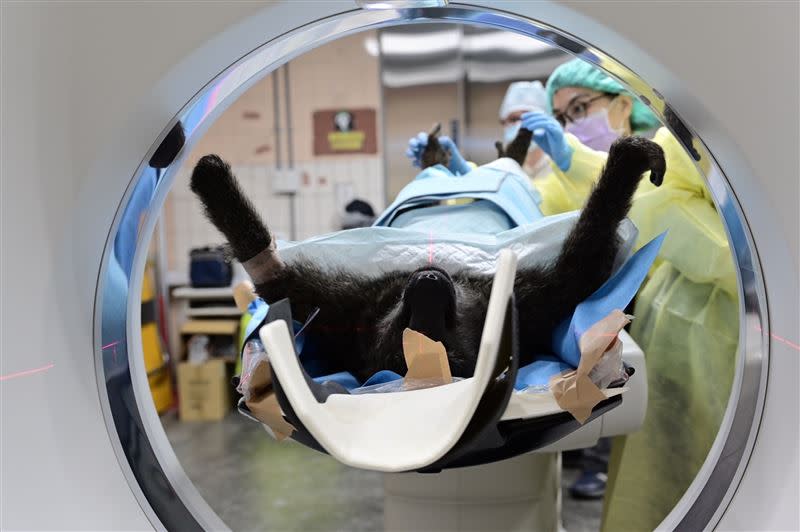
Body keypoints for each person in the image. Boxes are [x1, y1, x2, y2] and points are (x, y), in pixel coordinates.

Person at [521, 58, 738, 531]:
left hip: (708, 324)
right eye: (561, 117)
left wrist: (578, 161)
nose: (572, 125)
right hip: (675, 319)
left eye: (579, 108)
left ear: (622, 101)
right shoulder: (671, 144)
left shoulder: (685, 138)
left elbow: (643, 191)